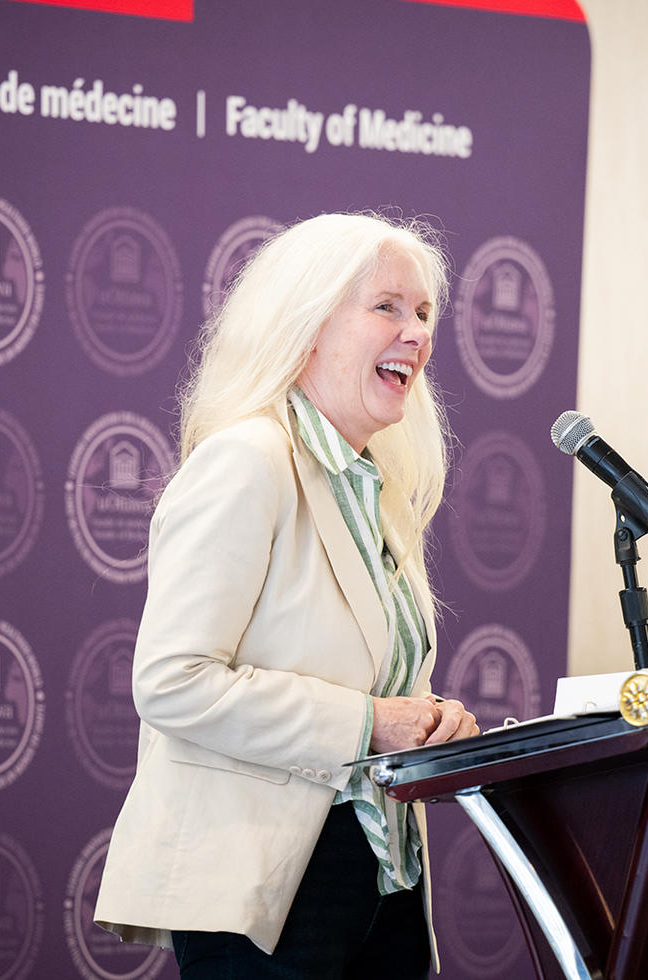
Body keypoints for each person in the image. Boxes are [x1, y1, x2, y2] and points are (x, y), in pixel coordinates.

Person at [94, 212, 480, 978]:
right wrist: (372, 724)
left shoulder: (376, 489)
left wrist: (430, 725)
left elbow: (371, 687)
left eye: (425, 314)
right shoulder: (248, 461)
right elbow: (173, 683)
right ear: (306, 324)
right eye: (387, 307)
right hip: (272, 890)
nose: (417, 335)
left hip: (385, 877)